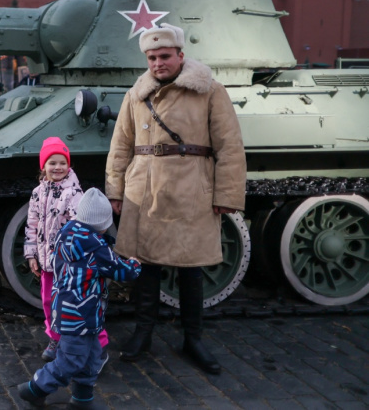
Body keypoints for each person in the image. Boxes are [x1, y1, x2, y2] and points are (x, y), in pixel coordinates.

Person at [105, 23, 246, 375]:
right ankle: (143, 332)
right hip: (145, 191)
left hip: (191, 190)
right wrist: (115, 191)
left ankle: (193, 338)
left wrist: (226, 194)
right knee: (146, 267)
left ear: (181, 55)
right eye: (151, 57)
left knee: (190, 271)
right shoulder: (136, 95)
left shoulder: (211, 91)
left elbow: (230, 146)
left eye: (164, 56)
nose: (157, 63)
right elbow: (121, 145)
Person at [18, 189, 141, 409]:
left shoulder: (66, 232)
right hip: (79, 316)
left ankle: (82, 399)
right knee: (71, 360)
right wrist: (134, 263)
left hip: (71, 311)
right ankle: (34, 389)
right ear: (103, 223)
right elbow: (122, 272)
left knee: (92, 357)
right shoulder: (96, 248)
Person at [24, 137, 109, 363]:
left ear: (69, 165)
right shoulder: (37, 192)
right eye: (52, 163)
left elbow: (81, 229)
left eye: (62, 162)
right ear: (44, 166)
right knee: (49, 302)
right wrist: (31, 254)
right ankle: (56, 337)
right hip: (47, 262)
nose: (58, 167)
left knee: (80, 303)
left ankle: (100, 343)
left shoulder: (74, 194)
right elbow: (31, 224)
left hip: (69, 265)